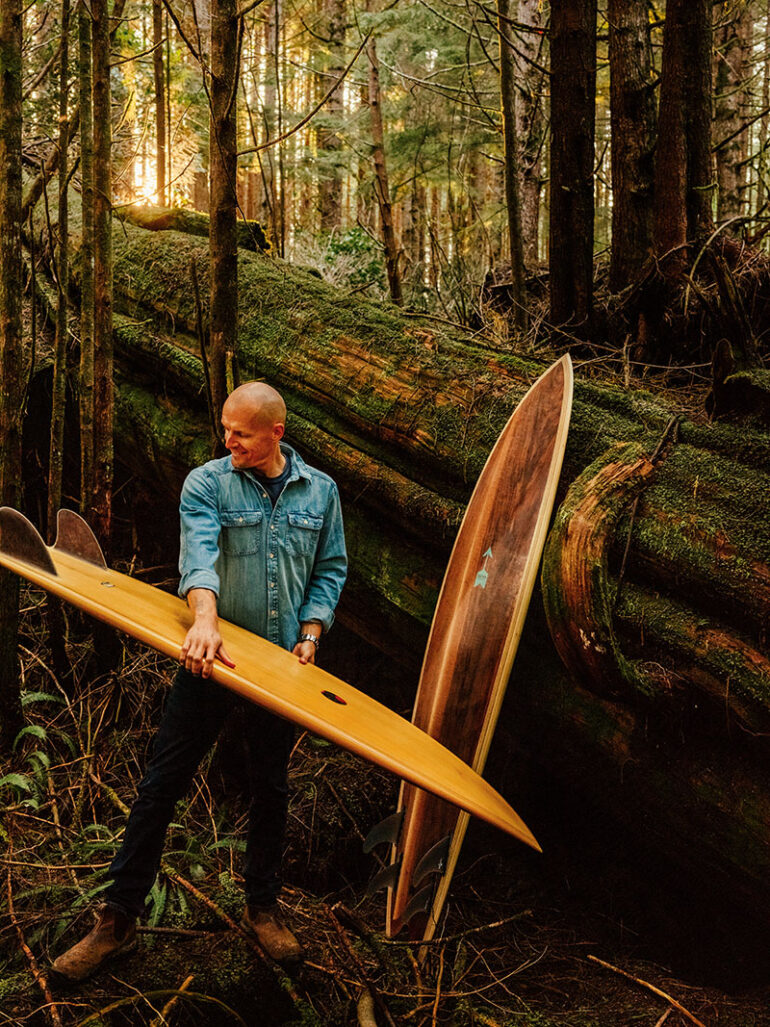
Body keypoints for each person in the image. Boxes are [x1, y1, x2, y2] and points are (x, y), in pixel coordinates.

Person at [52, 382, 347, 979]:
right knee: (162, 783)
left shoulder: (321, 493)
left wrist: (310, 636)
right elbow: (200, 558)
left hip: (278, 671)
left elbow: (330, 570)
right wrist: (205, 622)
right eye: (225, 428)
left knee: (271, 786)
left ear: (275, 435)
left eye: (240, 432)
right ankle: (117, 921)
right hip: (206, 657)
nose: (227, 440)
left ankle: (263, 910)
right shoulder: (207, 483)